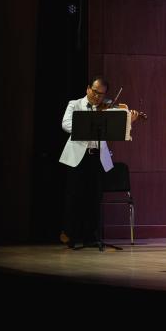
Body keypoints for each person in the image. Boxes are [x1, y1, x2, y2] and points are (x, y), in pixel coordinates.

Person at [59, 75, 139, 248]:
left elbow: (118, 129)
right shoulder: (75, 104)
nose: (97, 97)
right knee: (74, 196)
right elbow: (65, 124)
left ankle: (91, 236)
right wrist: (88, 125)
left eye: (101, 94)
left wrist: (129, 120)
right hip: (77, 157)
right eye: (95, 92)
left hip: (97, 157)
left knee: (94, 197)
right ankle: (70, 235)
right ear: (88, 88)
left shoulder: (107, 108)